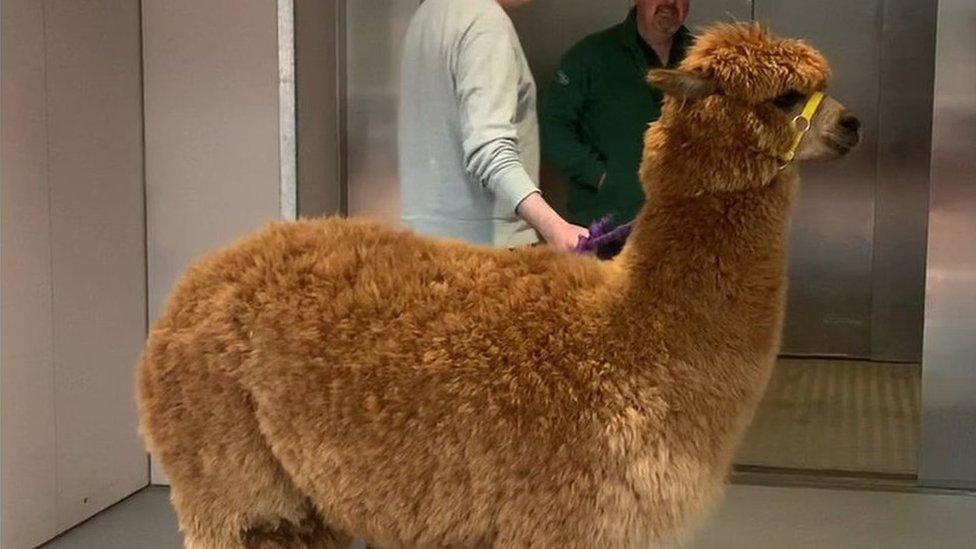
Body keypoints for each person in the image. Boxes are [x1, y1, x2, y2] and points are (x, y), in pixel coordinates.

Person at [398, 0, 588, 251]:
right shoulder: (484, 22)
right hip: (484, 254)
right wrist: (555, 227)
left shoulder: (429, 13)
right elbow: (489, 147)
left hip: (424, 246)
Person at [541, 0, 692, 257]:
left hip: (683, 235)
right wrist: (600, 176)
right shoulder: (590, 56)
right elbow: (551, 127)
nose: (670, 2)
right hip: (606, 233)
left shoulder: (702, 63)